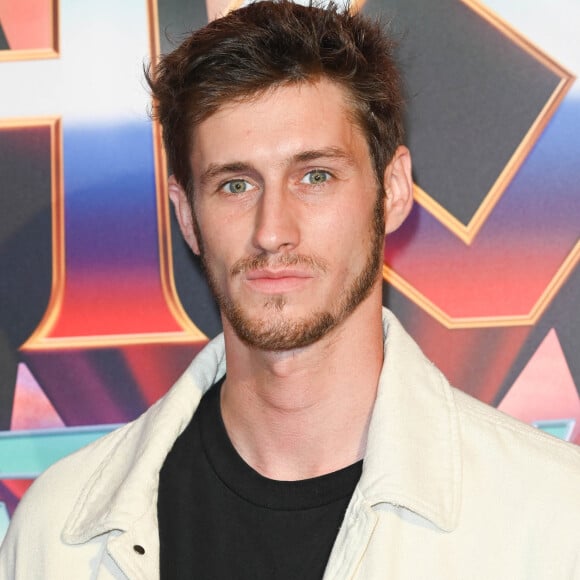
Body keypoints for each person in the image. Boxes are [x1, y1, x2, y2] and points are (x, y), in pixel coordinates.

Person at [2, 1, 580, 578]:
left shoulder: (550, 517)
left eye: (315, 176)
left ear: (394, 189)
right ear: (186, 217)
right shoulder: (59, 536)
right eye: (235, 184)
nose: (272, 229)